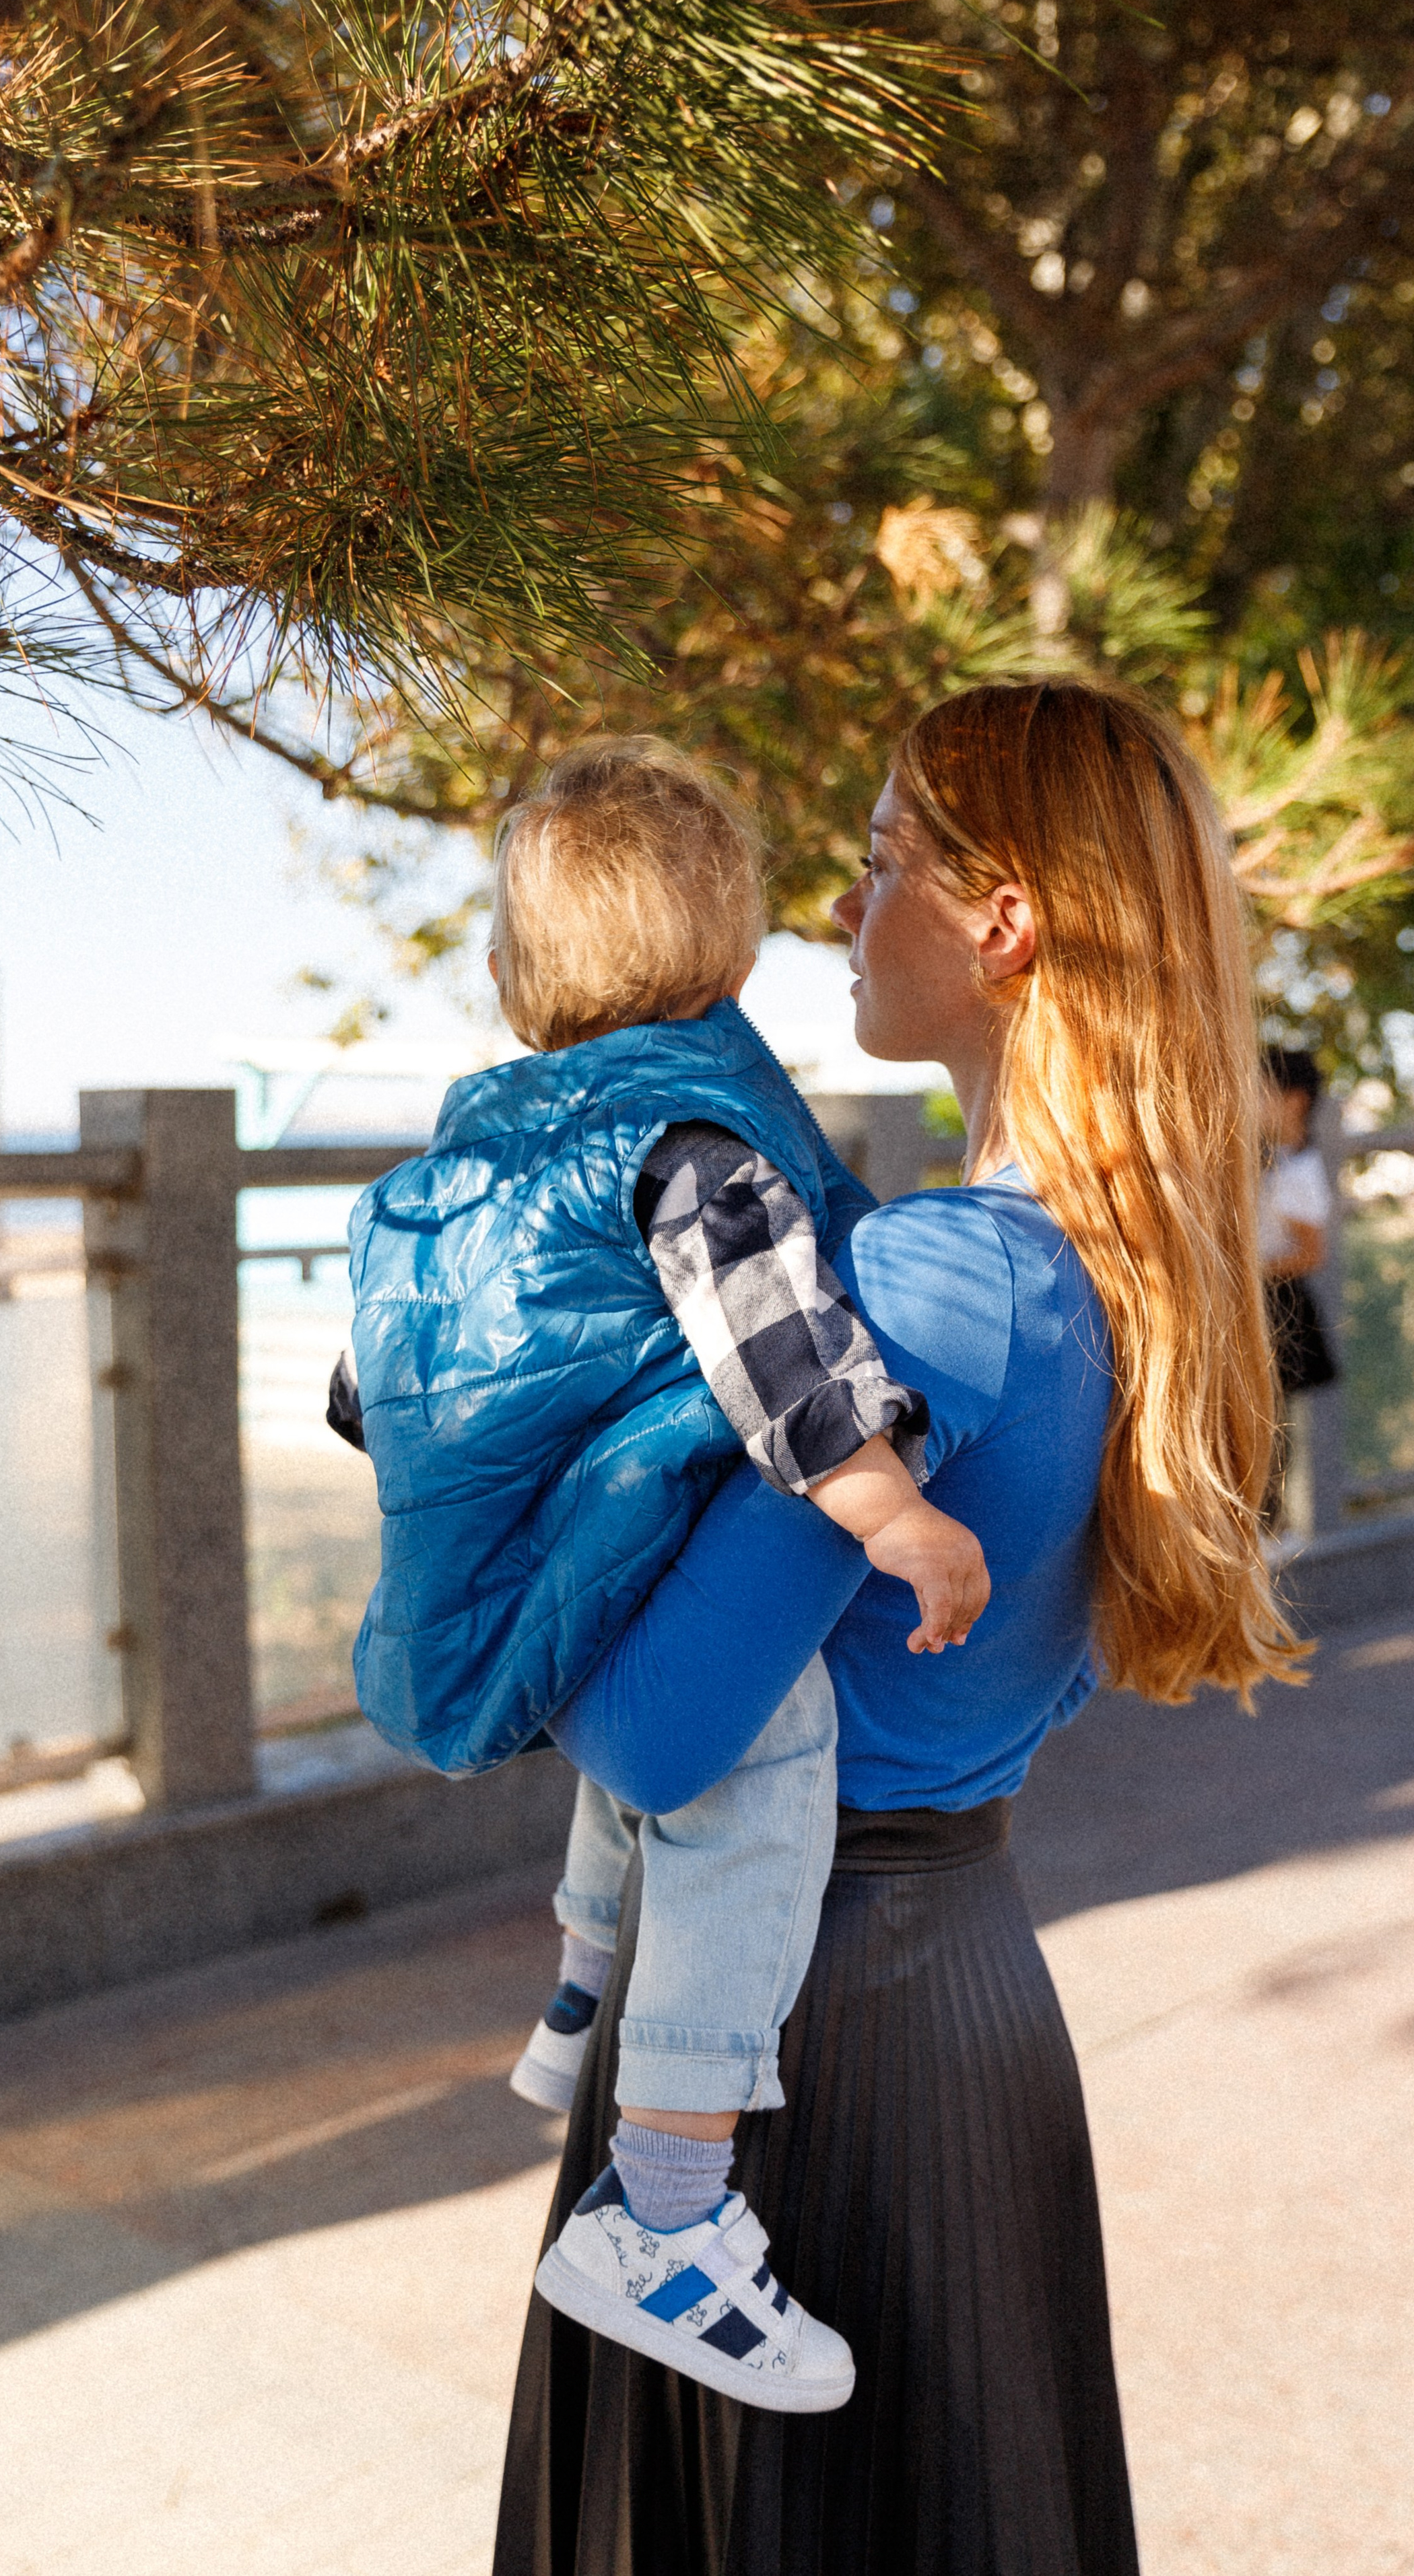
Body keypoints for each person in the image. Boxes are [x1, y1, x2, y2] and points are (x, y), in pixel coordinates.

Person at [494, 679, 1305, 2576]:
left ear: (1005, 919)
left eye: (879, 869)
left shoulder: (933, 1283)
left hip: (781, 2030)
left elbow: (654, 1734)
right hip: (956, 1992)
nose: (840, 916)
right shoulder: (1094, 1269)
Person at [345, 737, 988, 2412]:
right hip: (617, 1538)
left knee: (630, 1705)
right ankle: (664, 2207)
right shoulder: (692, 1144)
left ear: (508, 975)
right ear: (726, 952)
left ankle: (580, 1982)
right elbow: (784, 1356)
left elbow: (381, 1388)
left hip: (530, 1569)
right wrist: (896, 1512)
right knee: (756, 1767)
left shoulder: (456, 1164)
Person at [1259, 1046, 1338, 1531]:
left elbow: (1312, 1253)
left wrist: (1248, 1270)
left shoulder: (1299, 1172)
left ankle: (1269, 1527)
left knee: (1268, 1425)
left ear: (1295, 1101)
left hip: (1277, 1307)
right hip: (1261, 1299)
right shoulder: (1267, 1159)